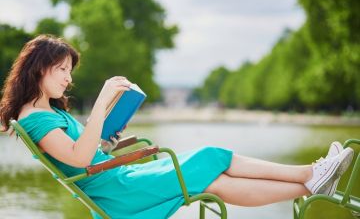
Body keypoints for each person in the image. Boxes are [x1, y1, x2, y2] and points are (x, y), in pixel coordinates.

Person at [0, 35, 354, 219]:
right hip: (118, 194)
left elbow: (87, 155)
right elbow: (78, 160)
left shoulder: (49, 112)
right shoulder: (36, 118)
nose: (68, 77)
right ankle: (311, 173)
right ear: (38, 69)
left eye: (69, 69)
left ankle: (310, 184)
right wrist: (103, 101)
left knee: (214, 180)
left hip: (115, 181)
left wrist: (107, 141)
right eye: (61, 69)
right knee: (211, 155)